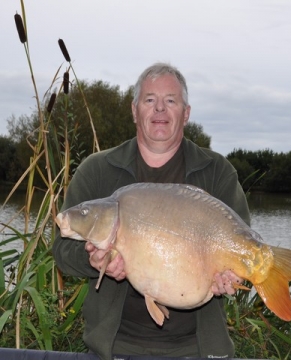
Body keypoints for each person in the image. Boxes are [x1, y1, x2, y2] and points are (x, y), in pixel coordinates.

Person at [52, 62, 251, 360]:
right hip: (114, 348)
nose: (159, 109)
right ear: (134, 111)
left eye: (170, 101)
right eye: (149, 100)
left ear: (186, 113)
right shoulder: (97, 170)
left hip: (197, 349)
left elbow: (241, 243)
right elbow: (61, 249)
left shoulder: (217, 172)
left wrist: (232, 276)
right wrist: (92, 260)